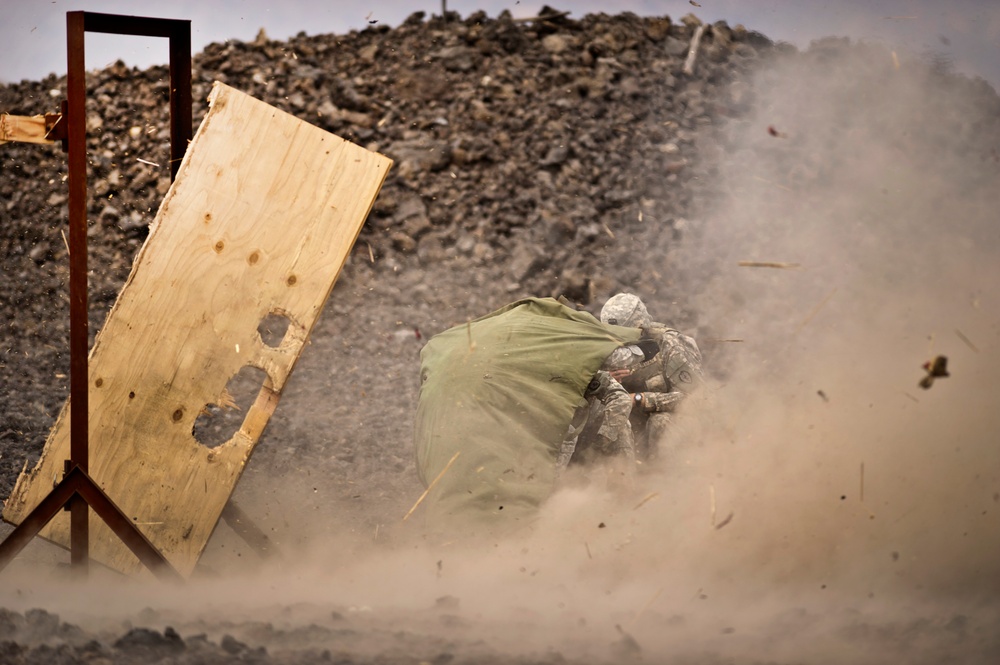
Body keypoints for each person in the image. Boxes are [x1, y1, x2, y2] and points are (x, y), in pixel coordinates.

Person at [562, 293, 704, 468]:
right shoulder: (604, 346)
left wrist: (640, 399)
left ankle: (662, 483)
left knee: (660, 423)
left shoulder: (670, 345)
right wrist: (607, 382)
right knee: (609, 424)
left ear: (640, 328)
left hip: (669, 425)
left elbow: (698, 400)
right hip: (629, 425)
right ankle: (621, 487)